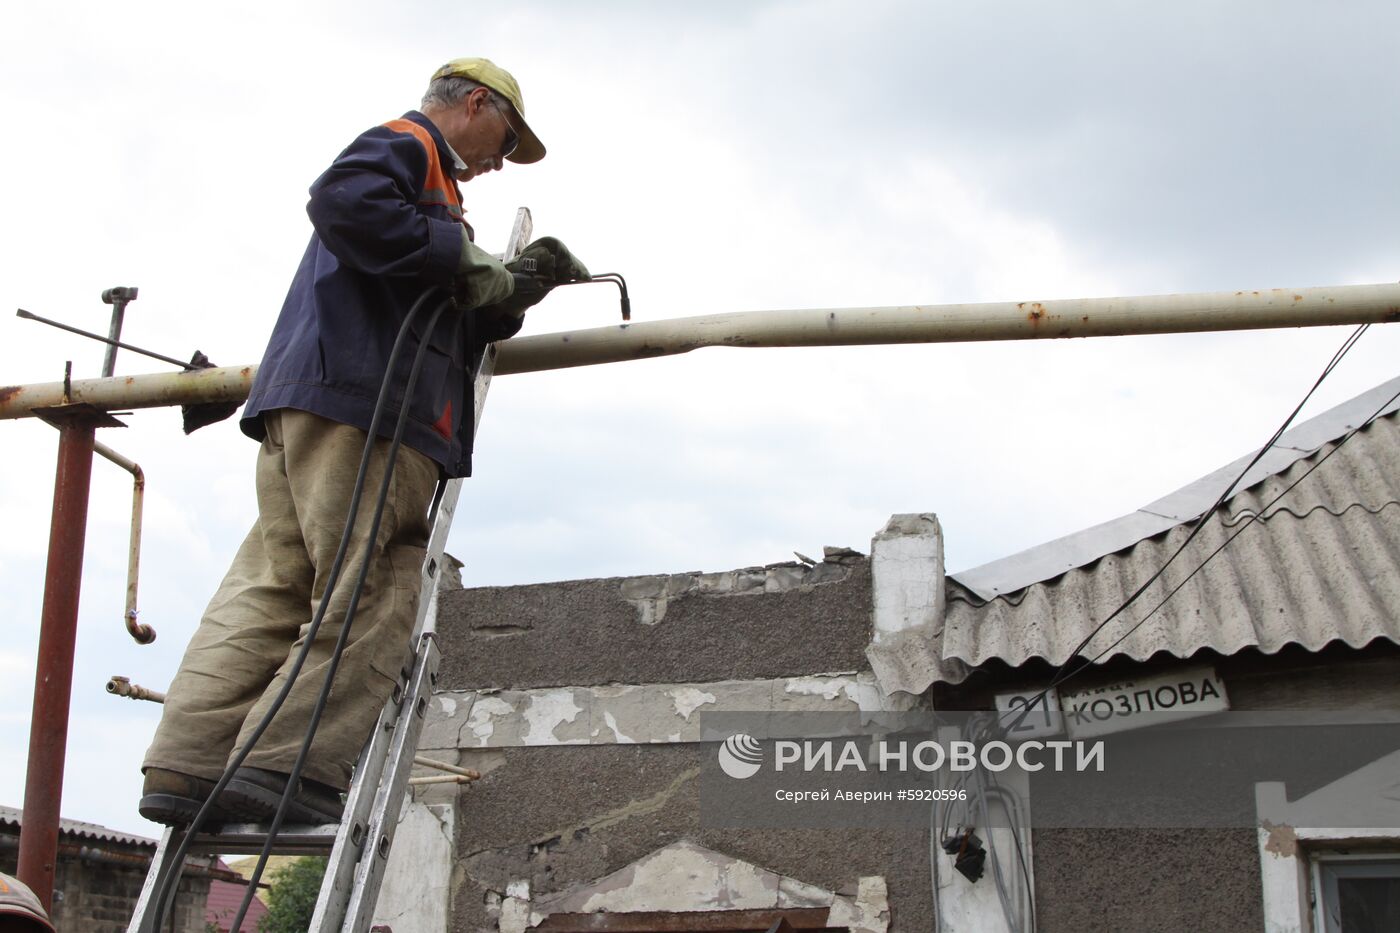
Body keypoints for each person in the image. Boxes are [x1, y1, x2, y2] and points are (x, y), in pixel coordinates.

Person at [139, 57, 587, 825]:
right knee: (370, 589)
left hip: (309, 406)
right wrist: (467, 259)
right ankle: (287, 767)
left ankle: (187, 763)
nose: (495, 165)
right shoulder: (411, 147)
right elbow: (341, 201)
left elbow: (432, 296)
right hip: (371, 413)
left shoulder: (429, 201)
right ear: (475, 104)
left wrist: (510, 289)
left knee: (275, 587)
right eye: (503, 141)